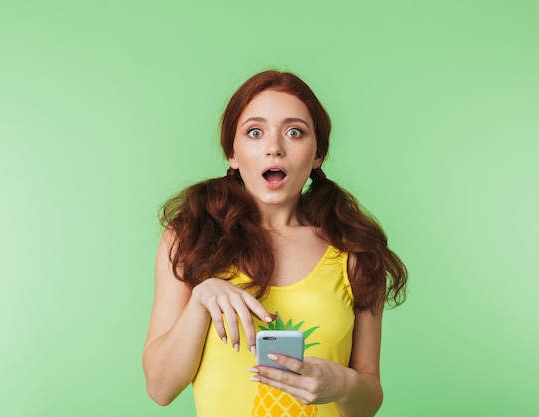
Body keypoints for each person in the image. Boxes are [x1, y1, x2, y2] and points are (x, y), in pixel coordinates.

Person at [142, 70, 407, 417]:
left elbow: (367, 401)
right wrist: (200, 299)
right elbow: (160, 389)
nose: (274, 148)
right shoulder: (190, 238)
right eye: (255, 132)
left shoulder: (356, 251)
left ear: (317, 156)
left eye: (294, 132)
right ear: (232, 154)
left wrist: (343, 385)